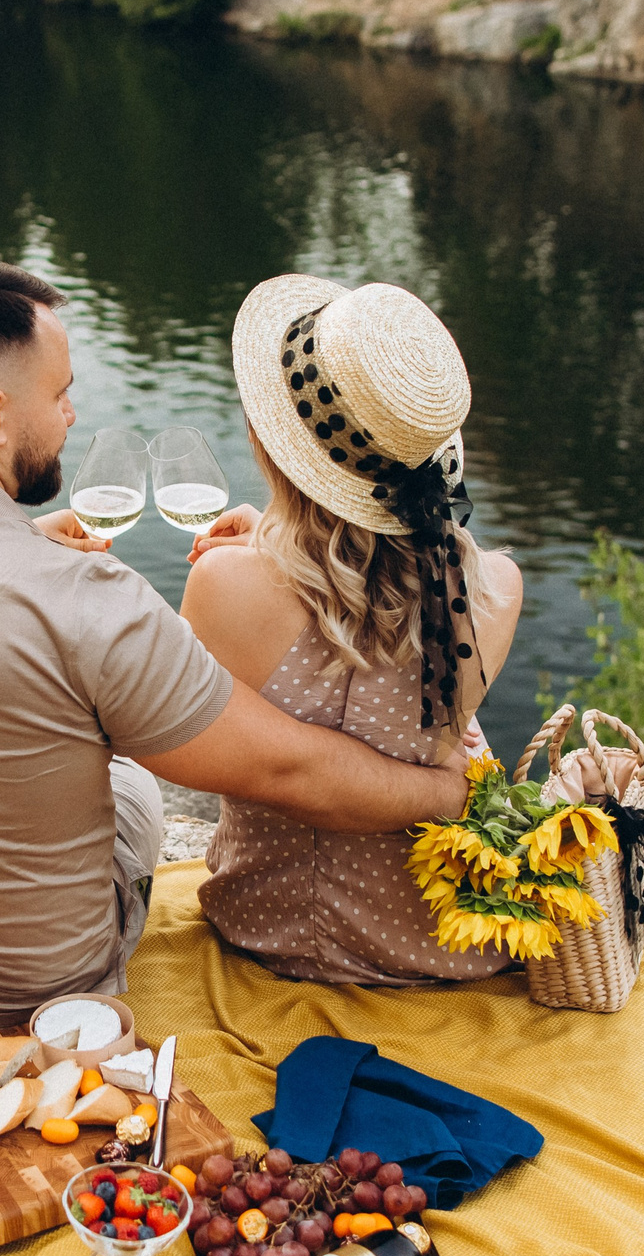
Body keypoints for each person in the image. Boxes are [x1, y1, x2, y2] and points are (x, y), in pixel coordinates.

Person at [0, 260, 474, 1037]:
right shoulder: (89, 602)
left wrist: (17, 542)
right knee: (131, 782)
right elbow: (286, 765)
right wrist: (442, 792)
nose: (70, 415)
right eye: (59, 394)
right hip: (23, 993)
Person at [177, 275, 527, 985]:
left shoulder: (225, 585)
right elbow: (373, 599)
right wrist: (271, 536)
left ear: (273, 442)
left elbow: (157, 730)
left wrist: (263, 546)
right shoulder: (499, 590)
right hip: (441, 946)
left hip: (268, 928)